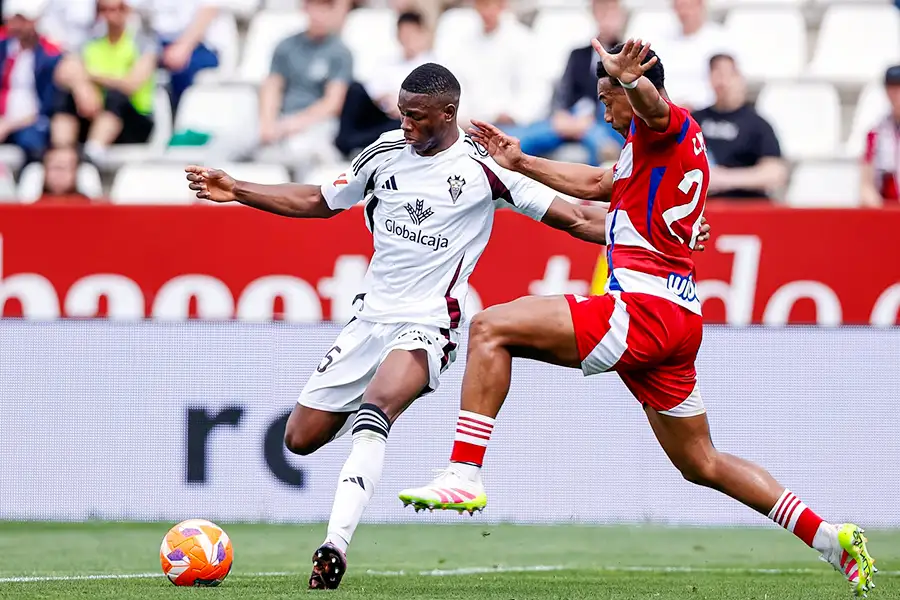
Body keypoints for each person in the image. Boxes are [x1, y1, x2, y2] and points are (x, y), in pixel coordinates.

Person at [398, 41, 876, 599]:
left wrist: (631, 81)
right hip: (677, 316)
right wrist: (521, 162)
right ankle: (829, 538)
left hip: (643, 310)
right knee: (701, 462)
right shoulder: (643, 154)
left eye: (609, 99)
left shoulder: (665, 126)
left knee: (489, 327)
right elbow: (593, 192)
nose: (604, 112)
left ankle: (463, 474)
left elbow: (653, 109)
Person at [185, 62, 643, 591]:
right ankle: (365, 448)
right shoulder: (383, 153)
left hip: (429, 323)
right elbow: (318, 200)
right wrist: (237, 189)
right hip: (368, 320)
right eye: (402, 113)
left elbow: (580, 219)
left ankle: (334, 546)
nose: (405, 124)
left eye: (417, 116)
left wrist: (655, 233)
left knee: (377, 408)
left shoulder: (485, 167)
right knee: (300, 438)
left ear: (449, 113)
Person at [502, 0, 625, 167]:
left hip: (602, 121)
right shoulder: (578, 54)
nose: (606, 19)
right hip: (571, 117)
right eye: (602, 11)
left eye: (611, 12)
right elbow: (564, 91)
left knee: (599, 141)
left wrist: (588, 121)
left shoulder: (625, 56)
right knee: (529, 137)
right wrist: (561, 114)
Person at [50, 0, 157, 164]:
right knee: (65, 97)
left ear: (126, 11)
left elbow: (130, 84)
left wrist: (90, 77)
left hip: (134, 120)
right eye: (104, 10)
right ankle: (60, 153)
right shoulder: (91, 42)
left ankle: (93, 153)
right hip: (94, 113)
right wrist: (81, 87)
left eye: (116, 9)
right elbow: (62, 72)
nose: (110, 16)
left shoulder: (142, 42)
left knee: (116, 97)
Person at [255, 0, 352, 174]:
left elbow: (332, 103)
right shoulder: (286, 45)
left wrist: (294, 123)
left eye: (325, 10)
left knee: (302, 150)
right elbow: (272, 86)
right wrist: (267, 122)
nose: (320, 16)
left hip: (317, 122)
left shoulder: (340, 52)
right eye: (316, 8)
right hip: (282, 117)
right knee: (240, 139)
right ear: (306, 9)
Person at [335, 11, 435, 157]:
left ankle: (360, 144)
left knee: (403, 125)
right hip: (382, 111)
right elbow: (373, 90)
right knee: (355, 89)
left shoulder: (433, 66)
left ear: (423, 34)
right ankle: (345, 142)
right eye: (404, 34)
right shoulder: (387, 62)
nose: (408, 39)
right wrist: (385, 99)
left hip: (405, 117)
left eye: (412, 34)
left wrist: (402, 106)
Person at [692, 54, 787, 200]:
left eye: (728, 74)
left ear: (739, 78)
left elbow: (775, 173)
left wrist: (724, 179)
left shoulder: (757, 124)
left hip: (744, 205)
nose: (722, 81)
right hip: (703, 206)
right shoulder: (695, 119)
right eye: (716, 73)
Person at [0, 0, 68, 163]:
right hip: (4, 120)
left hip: (32, 123)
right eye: (14, 19)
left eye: (23, 20)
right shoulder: (3, 49)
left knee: (33, 142)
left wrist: (9, 124)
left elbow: (46, 105)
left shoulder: (50, 54)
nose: (18, 25)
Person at [861, 64, 900, 206]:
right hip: (887, 208)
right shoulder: (876, 132)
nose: (897, 94)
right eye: (892, 88)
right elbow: (866, 184)